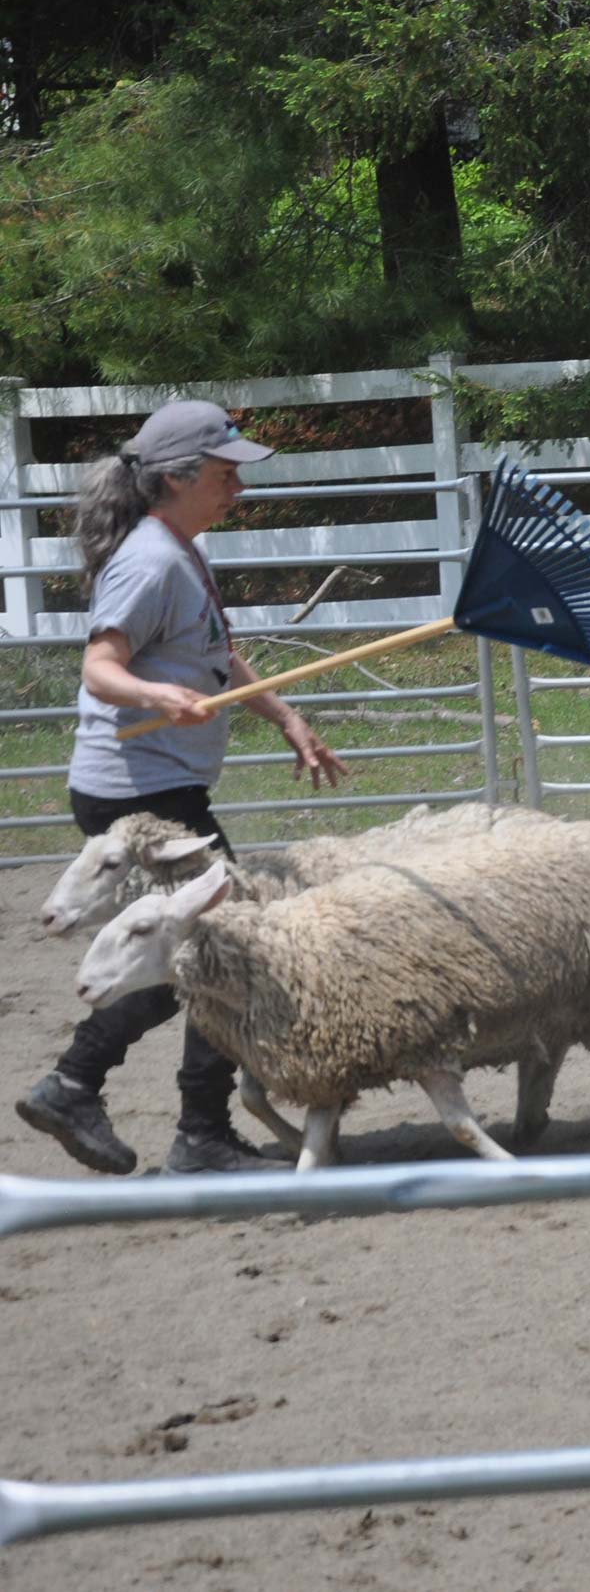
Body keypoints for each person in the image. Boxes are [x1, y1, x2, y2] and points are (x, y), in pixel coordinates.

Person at [15, 399, 348, 1176]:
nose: (237, 488)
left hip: (161, 787)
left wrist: (286, 717)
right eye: (226, 474)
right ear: (179, 477)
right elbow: (101, 664)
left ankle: (87, 1088)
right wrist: (154, 696)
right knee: (216, 949)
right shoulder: (150, 559)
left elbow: (218, 657)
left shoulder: (180, 549)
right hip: (138, 797)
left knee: (201, 951)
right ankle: (185, 1126)